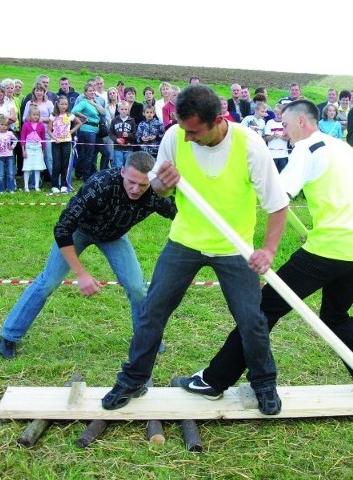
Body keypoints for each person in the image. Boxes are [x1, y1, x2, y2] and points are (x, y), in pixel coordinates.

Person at [177, 99, 353, 406]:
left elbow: (277, 195)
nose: (284, 131)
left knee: (264, 309)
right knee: (336, 316)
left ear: (303, 122)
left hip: (328, 248)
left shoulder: (308, 149)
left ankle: (213, 380)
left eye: (286, 124)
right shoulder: (344, 149)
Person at [102, 84, 289, 415]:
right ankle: (132, 380)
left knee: (252, 321)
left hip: (234, 248)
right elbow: (157, 189)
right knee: (152, 311)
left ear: (217, 120)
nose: (187, 137)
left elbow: (277, 204)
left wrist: (269, 250)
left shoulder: (250, 146)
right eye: (183, 129)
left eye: (194, 131)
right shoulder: (175, 137)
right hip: (185, 241)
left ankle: (264, 383)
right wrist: (161, 183)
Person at [0, 152, 177, 359]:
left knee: (137, 288)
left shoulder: (155, 194)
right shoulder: (100, 185)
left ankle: (146, 340)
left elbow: (180, 214)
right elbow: (62, 229)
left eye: (143, 185)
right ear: (122, 172)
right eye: (131, 182)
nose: (136, 189)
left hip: (114, 236)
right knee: (48, 282)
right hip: (79, 232)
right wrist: (81, 274)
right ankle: (9, 335)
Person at [48, 96, 81, 194]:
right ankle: (54, 185)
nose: (64, 106)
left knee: (65, 163)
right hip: (56, 142)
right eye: (62, 104)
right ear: (57, 104)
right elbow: (49, 130)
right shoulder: (53, 116)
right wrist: (54, 138)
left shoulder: (69, 115)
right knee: (56, 163)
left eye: (65, 104)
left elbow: (79, 123)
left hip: (66, 142)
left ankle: (63, 184)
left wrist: (70, 131)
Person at [71, 82, 104, 181]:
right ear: (85, 92)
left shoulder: (96, 102)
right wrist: (83, 116)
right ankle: (86, 176)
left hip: (95, 130)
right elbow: (73, 111)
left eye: (93, 90)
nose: (92, 92)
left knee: (87, 153)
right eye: (90, 91)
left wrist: (94, 103)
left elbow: (104, 112)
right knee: (88, 153)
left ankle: (79, 172)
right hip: (87, 130)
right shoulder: (84, 102)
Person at [20, 106, 47, 192]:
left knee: (37, 167)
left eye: (37, 115)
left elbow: (43, 139)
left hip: (38, 148)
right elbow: (23, 138)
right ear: (29, 115)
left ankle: (36, 186)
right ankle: (26, 186)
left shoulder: (41, 126)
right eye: (33, 115)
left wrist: (43, 150)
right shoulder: (26, 125)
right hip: (28, 148)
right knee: (27, 168)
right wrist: (23, 150)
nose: (35, 116)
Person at [109, 100, 137, 169]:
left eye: (126, 109)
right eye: (122, 109)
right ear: (118, 110)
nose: (124, 111)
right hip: (118, 148)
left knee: (128, 165)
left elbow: (135, 134)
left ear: (128, 110)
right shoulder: (114, 120)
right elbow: (110, 133)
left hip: (129, 147)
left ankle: (127, 179)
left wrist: (128, 135)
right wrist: (116, 139)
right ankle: (119, 179)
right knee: (118, 165)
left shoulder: (132, 121)